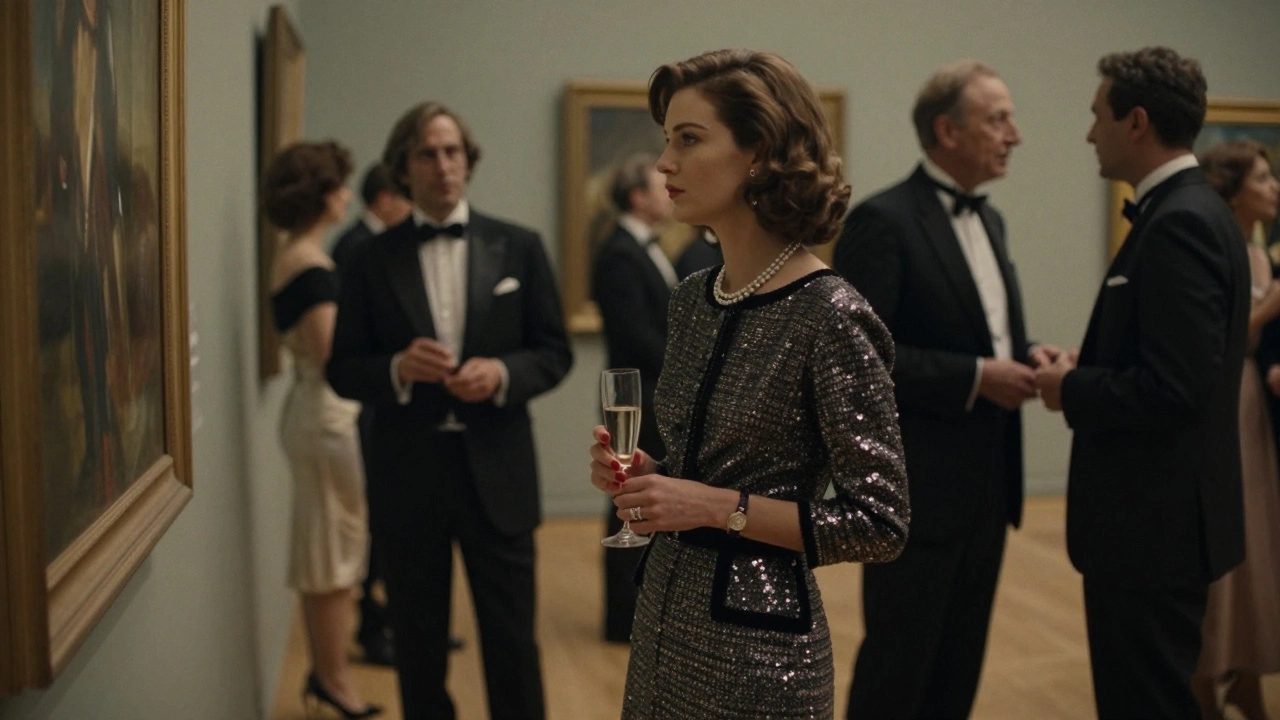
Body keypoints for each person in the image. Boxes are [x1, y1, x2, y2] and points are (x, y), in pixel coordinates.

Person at [587, 49, 909, 719]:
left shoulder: (831, 313)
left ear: (758, 152)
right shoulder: (692, 299)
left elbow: (880, 524)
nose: (663, 164)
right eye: (665, 140)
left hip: (759, 655)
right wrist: (653, 474)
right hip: (660, 628)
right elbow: (704, 467)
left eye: (689, 139)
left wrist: (710, 506)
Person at [327, 101, 572, 720]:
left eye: (452, 151)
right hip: (408, 473)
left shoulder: (519, 246)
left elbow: (554, 351)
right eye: (426, 154)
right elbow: (342, 368)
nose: (442, 165)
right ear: (402, 169)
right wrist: (396, 370)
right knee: (418, 644)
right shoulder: (365, 259)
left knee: (513, 642)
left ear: (469, 160)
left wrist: (502, 373)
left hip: (501, 472)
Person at [1035, 47, 1250, 718]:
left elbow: (1175, 389)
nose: (1088, 133)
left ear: (1135, 122)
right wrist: (1088, 367)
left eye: (1096, 116)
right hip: (1161, 524)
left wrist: (1068, 388)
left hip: (1150, 531)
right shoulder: (1193, 211)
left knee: (1145, 704)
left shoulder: (1179, 221)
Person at [833, 59, 1048, 719]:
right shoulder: (883, 221)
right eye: (998, 118)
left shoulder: (993, 221)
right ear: (947, 131)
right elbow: (858, 362)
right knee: (899, 667)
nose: (1015, 134)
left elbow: (982, 334)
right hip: (917, 489)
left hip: (990, 484)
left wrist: (1026, 357)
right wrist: (980, 377)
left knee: (960, 666)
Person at [262, 141, 380, 720]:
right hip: (327, 419)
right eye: (338, 186)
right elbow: (333, 356)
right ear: (320, 195)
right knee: (335, 559)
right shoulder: (310, 263)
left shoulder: (292, 253)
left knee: (324, 553)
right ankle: (335, 684)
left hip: (313, 416)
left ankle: (327, 676)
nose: (346, 196)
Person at [1191, 140, 1280, 720]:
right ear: (1231, 188)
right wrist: (1271, 306)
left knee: (1258, 535)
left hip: (1253, 405)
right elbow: (1221, 336)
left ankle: (1247, 669)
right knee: (1224, 531)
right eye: (1264, 178)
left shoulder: (1262, 255)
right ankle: (1207, 671)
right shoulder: (1211, 245)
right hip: (1221, 400)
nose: (1274, 188)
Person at [591, 152, 677, 644]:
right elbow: (635, 338)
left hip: (649, 392)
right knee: (628, 501)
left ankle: (640, 610)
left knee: (640, 499)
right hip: (634, 395)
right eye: (658, 186)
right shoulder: (620, 252)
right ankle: (622, 619)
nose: (668, 191)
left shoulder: (643, 247)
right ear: (636, 196)